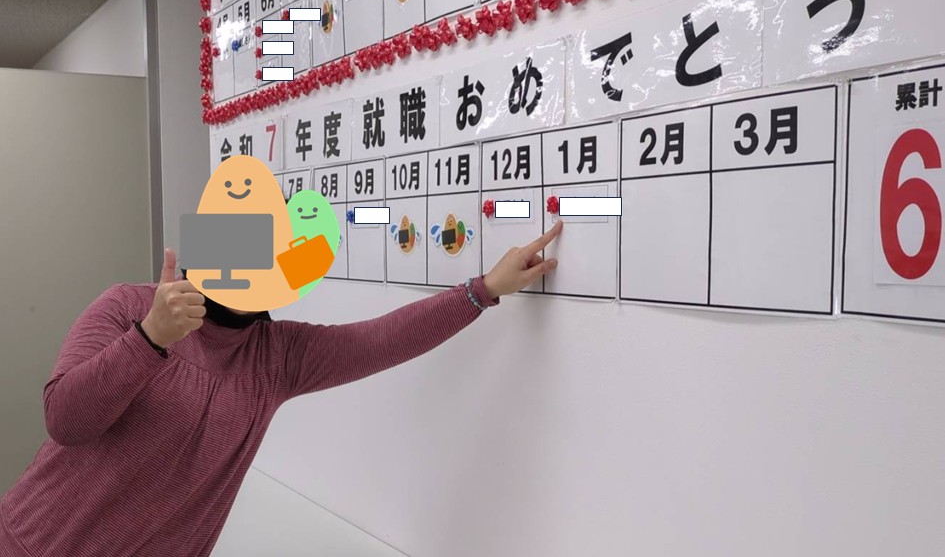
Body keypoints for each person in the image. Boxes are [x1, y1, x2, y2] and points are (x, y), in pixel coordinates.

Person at [0, 221, 564, 557]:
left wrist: (483, 289)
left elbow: (381, 340)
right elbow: (65, 420)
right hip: (32, 544)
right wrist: (149, 339)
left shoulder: (278, 355)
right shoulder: (128, 305)